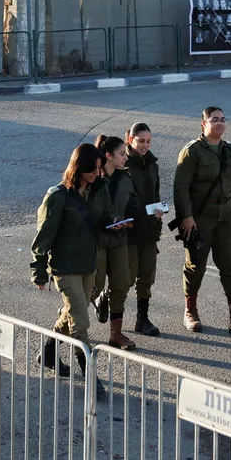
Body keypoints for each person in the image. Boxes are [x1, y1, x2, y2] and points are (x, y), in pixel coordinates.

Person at [174, 106, 231, 336]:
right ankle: (190, 311)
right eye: (214, 120)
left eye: (223, 119)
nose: (220, 123)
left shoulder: (230, 150)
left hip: (227, 217)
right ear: (203, 124)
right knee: (196, 265)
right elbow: (180, 188)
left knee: (230, 265)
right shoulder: (192, 152)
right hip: (200, 218)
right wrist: (186, 217)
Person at [30, 143, 109, 381]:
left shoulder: (97, 191)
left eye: (99, 168)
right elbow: (44, 235)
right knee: (80, 322)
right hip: (65, 267)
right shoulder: (57, 196)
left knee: (74, 312)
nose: (97, 173)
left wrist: (115, 223)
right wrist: (39, 270)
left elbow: (101, 220)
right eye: (92, 169)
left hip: (88, 264)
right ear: (78, 167)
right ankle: (90, 375)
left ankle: (48, 352)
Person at [91, 135, 138, 349]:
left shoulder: (125, 178)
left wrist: (130, 219)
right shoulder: (93, 179)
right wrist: (105, 222)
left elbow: (133, 204)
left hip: (119, 239)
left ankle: (116, 334)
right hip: (98, 240)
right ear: (108, 156)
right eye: (121, 154)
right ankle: (66, 321)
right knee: (94, 286)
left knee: (121, 284)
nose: (125, 158)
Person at [124, 123, 163, 336]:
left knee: (147, 276)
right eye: (141, 141)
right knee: (127, 277)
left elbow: (155, 194)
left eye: (148, 141)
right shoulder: (122, 163)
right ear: (130, 140)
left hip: (148, 228)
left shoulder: (152, 165)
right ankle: (105, 298)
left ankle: (142, 319)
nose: (145, 146)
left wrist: (158, 216)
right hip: (129, 229)